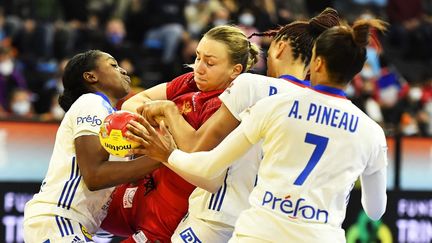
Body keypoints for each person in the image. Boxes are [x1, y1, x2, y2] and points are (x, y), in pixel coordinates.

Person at [129, 18, 388, 242]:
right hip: (322, 235)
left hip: (243, 226)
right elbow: (375, 210)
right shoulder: (372, 132)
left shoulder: (271, 103)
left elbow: (207, 164)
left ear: (317, 63)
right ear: (355, 71)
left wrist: (166, 154)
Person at [101, 25, 260, 242]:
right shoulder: (190, 82)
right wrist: (163, 130)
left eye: (210, 62)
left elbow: (194, 153)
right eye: (197, 57)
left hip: (171, 214)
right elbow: (132, 104)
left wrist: (168, 111)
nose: (199, 68)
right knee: (79, 204)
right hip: (143, 187)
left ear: (235, 70)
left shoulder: (228, 105)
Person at [23, 50, 161, 242]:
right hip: (59, 220)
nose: (123, 70)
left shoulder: (113, 119)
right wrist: (163, 155)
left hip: (76, 226)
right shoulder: (91, 102)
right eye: (113, 65)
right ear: (91, 76)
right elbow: (94, 175)